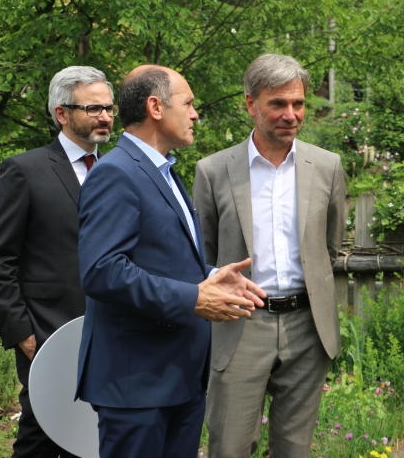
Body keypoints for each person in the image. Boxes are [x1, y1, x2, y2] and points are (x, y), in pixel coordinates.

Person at [75, 65, 267, 458]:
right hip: (137, 385)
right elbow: (102, 271)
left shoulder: (163, 171)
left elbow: (161, 256)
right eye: (188, 103)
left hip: (179, 378)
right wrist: (194, 298)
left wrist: (211, 276)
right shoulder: (116, 172)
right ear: (155, 107)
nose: (195, 114)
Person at [193, 54, 346, 458]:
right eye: (278, 103)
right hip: (240, 323)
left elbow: (329, 246)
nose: (291, 115)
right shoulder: (213, 171)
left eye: (298, 103)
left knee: (294, 449)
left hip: (306, 326)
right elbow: (204, 254)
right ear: (251, 103)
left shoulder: (327, 166)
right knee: (229, 446)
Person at [0, 66, 115, 458]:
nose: (105, 116)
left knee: (96, 441)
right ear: (62, 113)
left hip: (112, 333)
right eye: (93, 108)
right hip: (47, 333)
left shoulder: (118, 172)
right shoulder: (24, 170)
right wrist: (22, 334)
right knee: (41, 437)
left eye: (109, 108)